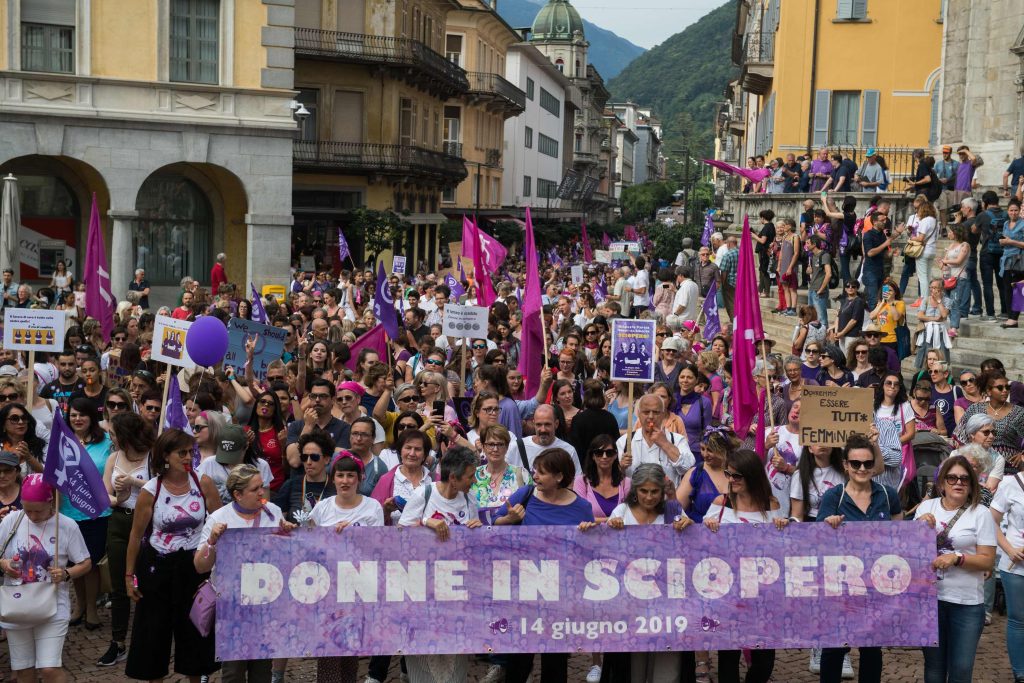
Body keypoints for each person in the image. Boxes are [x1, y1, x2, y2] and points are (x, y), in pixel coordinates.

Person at [124, 429, 221, 682]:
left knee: (195, 631)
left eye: (191, 451)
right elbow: (135, 536)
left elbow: (221, 522)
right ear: (166, 455)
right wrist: (129, 576)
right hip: (157, 566)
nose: (189, 457)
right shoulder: (151, 489)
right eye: (182, 452)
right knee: (153, 633)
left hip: (194, 566)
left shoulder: (203, 483)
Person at [494, 448, 595, 683]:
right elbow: (494, 526)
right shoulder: (525, 495)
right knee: (519, 659)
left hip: (560, 596)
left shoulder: (581, 507)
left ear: (559, 477)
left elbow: (589, 553)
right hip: (524, 591)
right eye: (535, 471)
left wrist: (589, 533)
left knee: (555, 661)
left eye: (541, 472)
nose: (535, 477)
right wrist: (509, 520)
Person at [587, 463, 692, 683]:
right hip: (629, 604)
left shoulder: (673, 510)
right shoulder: (621, 512)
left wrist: (690, 526)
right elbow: (605, 553)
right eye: (644, 491)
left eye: (654, 491)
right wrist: (607, 529)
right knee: (631, 664)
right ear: (635, 490)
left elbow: (690, 547)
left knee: (667, 664)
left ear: (662, 491)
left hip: (666, 603)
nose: (649, 497)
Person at [194, 464, 293, 683]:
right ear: (237, 495)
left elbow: (286, 556)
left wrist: (288, 536)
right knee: (233, 672)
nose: (262, 492)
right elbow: (200, 566)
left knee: (261, 670)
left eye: (262, 486)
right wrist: (212, 541)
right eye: (255, 489)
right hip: (232, 606)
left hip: (265, 604)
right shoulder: (219, 518)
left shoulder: (273, 512)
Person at [817, 433, 902, 682]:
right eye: (856, 463)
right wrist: (828, 524)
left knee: (872, 647)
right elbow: (818, 541)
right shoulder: (834, 497)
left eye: (867, 463)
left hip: (876, 586)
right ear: (846, 465)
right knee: (834, 646)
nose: (862, 468)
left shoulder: (888, 495)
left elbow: (901, 536)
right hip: (841, 585)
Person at [704, 449, 788, 683]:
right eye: (728, 474)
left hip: (762, 594)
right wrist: (707, 529)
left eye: (737, 476)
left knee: (764, 660)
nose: (731, 480)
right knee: (728, 655)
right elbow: (702, 548)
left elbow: (781, 546)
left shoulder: (770, 504)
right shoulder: (721, 503)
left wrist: (783, 525)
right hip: (728, 593)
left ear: (752, 475)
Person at [0, 474, 91, 683]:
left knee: (49, 668)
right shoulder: (12, 521)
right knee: (24, 671)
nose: (31, 515)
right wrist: (3, 564)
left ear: (51, 501)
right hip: (17, 604)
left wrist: (67, 573)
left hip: (52, 605)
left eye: (37, 510)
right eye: (27, 508)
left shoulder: (66, 525)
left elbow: (85, 563)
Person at [914, 455, 996, 683]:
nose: (958, 483)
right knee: (934, 668)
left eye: (964, 478)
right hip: (930, 600)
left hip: (967, 603)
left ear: (971, 484)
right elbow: (908, 552)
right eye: (952, 478)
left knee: (961, 669)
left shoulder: (981, 514)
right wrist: (918, 528)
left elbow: (987, 561)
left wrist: (958, 558)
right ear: (941, 483)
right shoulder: (926, 507)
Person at [99, 411, 154, 667]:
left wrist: (135, 481)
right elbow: (104, 495)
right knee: (120, 582)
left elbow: (162, 487)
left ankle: (147, 638)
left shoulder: (152, 456)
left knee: (148, 580)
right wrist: (119, 496)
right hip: (120, 521)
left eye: (114, 434)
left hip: (147, 523)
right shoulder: (113, 457)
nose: (111, 438)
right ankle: (118, 641)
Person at [62, 398, 112, 629]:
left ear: (92, 417)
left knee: (90, 562)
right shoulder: (62, 442)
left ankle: (92, 608)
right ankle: (79, 605)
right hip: (68, 511)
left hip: (96, 513)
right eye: (73, 415)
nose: (77, 419)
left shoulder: (107, 442)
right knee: (73, 562)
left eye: (82, 414)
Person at [991, 459, 1024, 683]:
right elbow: (991, 522)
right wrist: (1009, 550)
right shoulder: (1010, 484)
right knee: (1018, 619)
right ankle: (1020, 672)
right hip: (1015, 563)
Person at [954, 371, 1024, 475]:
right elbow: (959, 437)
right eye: (1000, 388)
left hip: (1008, 470)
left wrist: (1022, 455)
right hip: (978, 468)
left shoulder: (1018, 412)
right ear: (989, 391)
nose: (1005, 391)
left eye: (1007, 387)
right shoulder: (975, 409)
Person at [272, 431, 337, 525]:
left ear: (327, 459)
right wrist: (285, 524)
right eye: (304, 457)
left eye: (314, 457)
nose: (308, 462)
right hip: (294, 538)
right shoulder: (290, 485)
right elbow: (276, 520)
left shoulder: (336, 487)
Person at [574, 434, 631, 522]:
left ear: (615, 455)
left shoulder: (626, 483)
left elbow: (630, 515)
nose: (604, 456)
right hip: (591, 534)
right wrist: (610, 520)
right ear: (593, 456)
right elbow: (580, 516)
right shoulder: (581, 482)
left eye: (609, 453)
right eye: (599, 453)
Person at [873, 373, 915, 490]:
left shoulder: (905, 406)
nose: (892, 386)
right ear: (882, 386)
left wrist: (891, 444)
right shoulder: (872, 405)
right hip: (875, 453)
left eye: (896, 384)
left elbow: (911, 433)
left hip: (898, 453)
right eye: (889, 383)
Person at [567, 379, 620, 463]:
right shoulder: (610, 418)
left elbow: (575, 448)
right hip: (606, 465)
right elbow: (617, 445)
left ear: (584, 396)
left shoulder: (578, 419)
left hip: (585, 467)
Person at [915, 280, 952, 366]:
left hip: (941, 332)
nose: (932, 290)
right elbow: (920, 315)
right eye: (931, 287)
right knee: (924, 353)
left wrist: (939, 301)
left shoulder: (947, 301)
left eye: (935, 288)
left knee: (942, 353)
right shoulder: (926, 299)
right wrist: (935, 318)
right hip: (927, 331)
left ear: (941, 289)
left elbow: (944, 315)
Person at [776, 218, 800, 316]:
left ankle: (793, 309)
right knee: (785, 287)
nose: (783, 227)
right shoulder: (785, 237)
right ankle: (788, 307)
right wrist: (779, 266)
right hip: (783, 265)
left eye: (784, 225)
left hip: (791, 265)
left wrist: (790, 267)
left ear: (789, 226)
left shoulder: (795, 237)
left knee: (792, 288)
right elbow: (781, 253)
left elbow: (796, 253)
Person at [807, 234, 832, 325]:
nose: (806, 245)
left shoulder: (824, 255)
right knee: (811, 316)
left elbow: (828, 274)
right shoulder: (812, 256)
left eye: (808, 243)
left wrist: (821, 289)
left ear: (814, 244)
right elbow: (815, 273)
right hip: (812, 289)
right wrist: (809, 272)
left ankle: (824, 337)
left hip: (819, 290)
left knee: (821, 317)